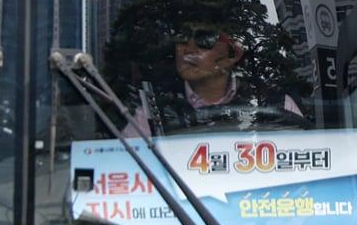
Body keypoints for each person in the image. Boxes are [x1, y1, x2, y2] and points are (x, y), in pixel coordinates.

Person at [126, 20, 304, 137]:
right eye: (182, 37)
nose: (187, 49)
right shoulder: (152, 112)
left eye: (204, 39)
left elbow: (304, 166)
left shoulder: (275, 104)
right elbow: (123, 168)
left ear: (233, 53)